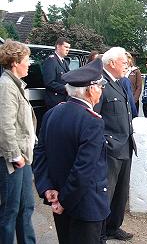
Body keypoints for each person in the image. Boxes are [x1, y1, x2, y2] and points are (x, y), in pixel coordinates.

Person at [33, 58, 109, 244]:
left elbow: (40, 154)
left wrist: (46, 187)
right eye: (100, 86)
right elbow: (83, 170)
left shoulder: (52, 113)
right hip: (84, 205)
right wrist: (63, 201)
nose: (101, 90)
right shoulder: (92, 121)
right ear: (91, 90)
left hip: (60, 198)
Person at [93, 47, 136, 241]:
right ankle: (100, 233)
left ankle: (113, 227)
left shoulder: (119, 82)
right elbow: (93, 118)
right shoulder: (100, 83)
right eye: (123, 62)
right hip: (110, 149)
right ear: (112, 63)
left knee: (121, 192)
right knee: (107, 193)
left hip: (126, 145)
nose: (126, 65)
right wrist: (105, 144)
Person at [0, 40, 37, 244]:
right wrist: (15, 156)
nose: (29, 63)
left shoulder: (15, 84)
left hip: (23, 157)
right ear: (15, 62)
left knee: (26, 207)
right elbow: (5, 126)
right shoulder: (6, 86)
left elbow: (22, 122)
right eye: (26, 59)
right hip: (13, 160)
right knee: (9, 211)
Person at [42, 37, 71, 109]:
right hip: (54, 101)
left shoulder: (64, 62)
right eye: (65, 47)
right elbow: (49, 82)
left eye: (69, 48)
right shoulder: (51, 61)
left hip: (64, 100)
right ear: (58, 46)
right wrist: (66, 88)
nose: (68, 49)